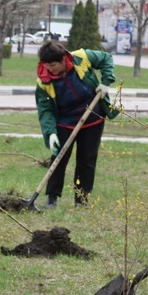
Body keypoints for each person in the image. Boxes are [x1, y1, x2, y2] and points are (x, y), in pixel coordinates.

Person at [35, 41, 116, 208]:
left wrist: (106, 82)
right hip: (65, 121)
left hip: (92, 116)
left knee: (87, 160)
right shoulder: (44, 80)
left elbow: (106, 58)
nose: (50, 69)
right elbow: (45, 109)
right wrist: (50, 133)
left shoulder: (81, 57)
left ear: (63, 59)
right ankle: (52, 198)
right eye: (46, 65)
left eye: (53, 65)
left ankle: (82, 200)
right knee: (58, 158)